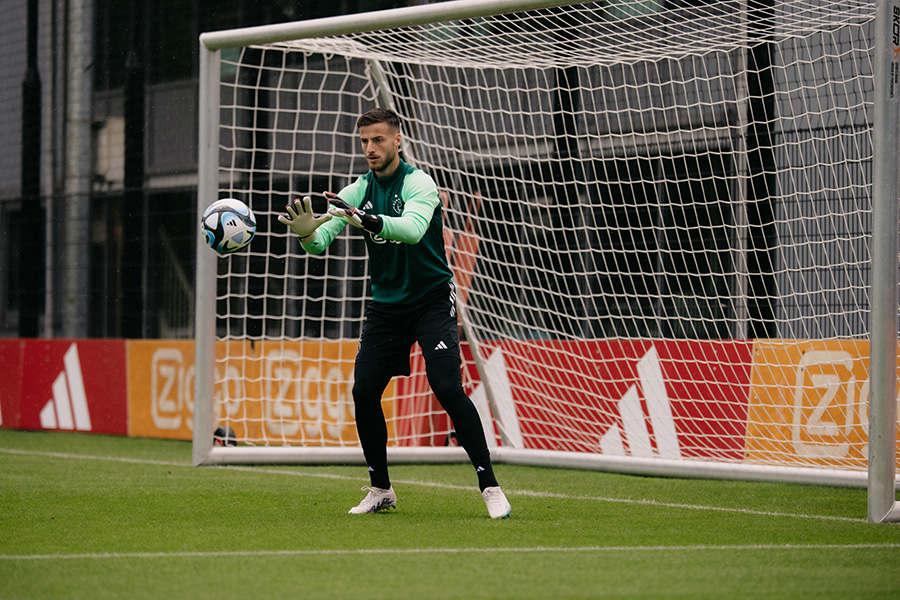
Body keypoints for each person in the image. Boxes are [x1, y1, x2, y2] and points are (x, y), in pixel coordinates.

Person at [278, 107, 511, 519]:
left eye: (379, 139)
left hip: (431, 300)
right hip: (386, 308)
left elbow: (412, 229)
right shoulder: (353, 192)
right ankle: (381, 489)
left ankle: (489, 485)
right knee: (364, 392)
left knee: (446, 387)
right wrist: (306, 234)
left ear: (397, 140)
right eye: (365, 140)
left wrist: (364, 219)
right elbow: (320, 243)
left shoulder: (420, 183)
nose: (370, 148)